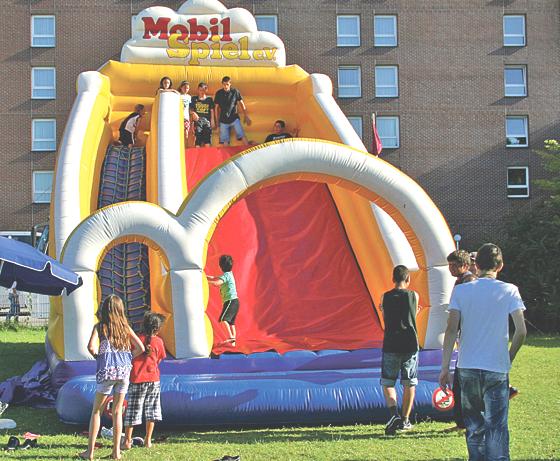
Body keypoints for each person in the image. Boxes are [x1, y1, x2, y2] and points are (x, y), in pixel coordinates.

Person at [440, 243, 527, 461]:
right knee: (497, 426)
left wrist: (444, 368)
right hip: (497, 367)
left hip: (467, 365)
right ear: (500, 266)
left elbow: (451, 330)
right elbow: (521, 331)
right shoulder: (510, 290)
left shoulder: (461, 290)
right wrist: (509, 357)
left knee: (474, 425)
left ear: (475, 265)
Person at [79, 295, 144, 461]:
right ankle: (116, 452)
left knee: (96, 412)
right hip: (124, 372)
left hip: (107, 372)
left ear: (105, 309)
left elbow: (91, 347)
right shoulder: (125, 328)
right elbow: (141, 348)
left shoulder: (100, 327)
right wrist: (128, 357)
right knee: (117, 412)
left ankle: (90, 452)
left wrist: (99, 357)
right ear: (120, 310)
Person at [379, 265, 420, 435]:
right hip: (410, 343)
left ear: (393, 279)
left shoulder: (385, 297)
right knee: (409, 381)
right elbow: (412, 317)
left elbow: (385, 319)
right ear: (408, 279)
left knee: (388, 381)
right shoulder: (413, 295)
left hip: (391, 343)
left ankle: (393, 413)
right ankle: (405, 419)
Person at [123, 312, 166, 450]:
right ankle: (148, 440)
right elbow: (159, 359)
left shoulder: (137, 340)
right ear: (157, 329)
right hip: (153, 379)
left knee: (133, 411)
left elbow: (129, 356)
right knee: (151, 410)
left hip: (137, 379)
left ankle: (127, 441)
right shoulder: (159, 342)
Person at [445, 250, 477, 432]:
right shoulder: (461, 281)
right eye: (449, 265)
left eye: (454, 265)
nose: (451, 268)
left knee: (461, 383)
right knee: (459, 383)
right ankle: (462, 422)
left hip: (468, 338)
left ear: (465, 265)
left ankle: (464, 423)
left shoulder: (468, 282)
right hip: (463, 337)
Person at [207, 255, 239, 346]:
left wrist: (205, 281)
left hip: (230, 301)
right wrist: (204, 276)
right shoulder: (229, 274)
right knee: (231, 322)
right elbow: (214, 278)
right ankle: (233, 343)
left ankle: (231, 338)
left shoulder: (226, 275)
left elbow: (217, 283)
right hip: (235, 301)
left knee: (223, 319)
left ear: (220, 266)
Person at [214, 76, 251, 145]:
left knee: (242, 135)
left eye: (227, 84)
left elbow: (241, 103)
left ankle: (248, 150)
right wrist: (217, 122)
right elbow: (216, 108)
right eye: (224, 84)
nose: (225, 86)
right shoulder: (219, 93)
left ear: (230, 84)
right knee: (225, 140)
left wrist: (246, 116)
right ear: (222, 84)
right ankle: (226, 155)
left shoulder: (235, 92)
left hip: (234, 118)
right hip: (223, 120)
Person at [190, 82, 216, 147]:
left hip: (207, 122)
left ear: (206, 90)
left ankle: (208, 155)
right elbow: (190, 109)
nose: (202, 92)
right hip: (198, 121)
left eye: (203, 90)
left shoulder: (209, 99)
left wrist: (213, 121)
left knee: (207, 138)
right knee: (198, 138)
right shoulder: (194, 99)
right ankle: (197, 156)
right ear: (198, 90)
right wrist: (193, 113)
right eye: (200, 90)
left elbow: (212, 110)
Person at [178, 81, 193, 147]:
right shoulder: (178, 95)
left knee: (186, 133)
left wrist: (191, 117)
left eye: (187, 88)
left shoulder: (189, 97)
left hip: (186, 117)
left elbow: (189, 108)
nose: (186, 89)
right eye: (184, 87)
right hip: (178, 117)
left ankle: (185, 148)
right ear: (181, 87)